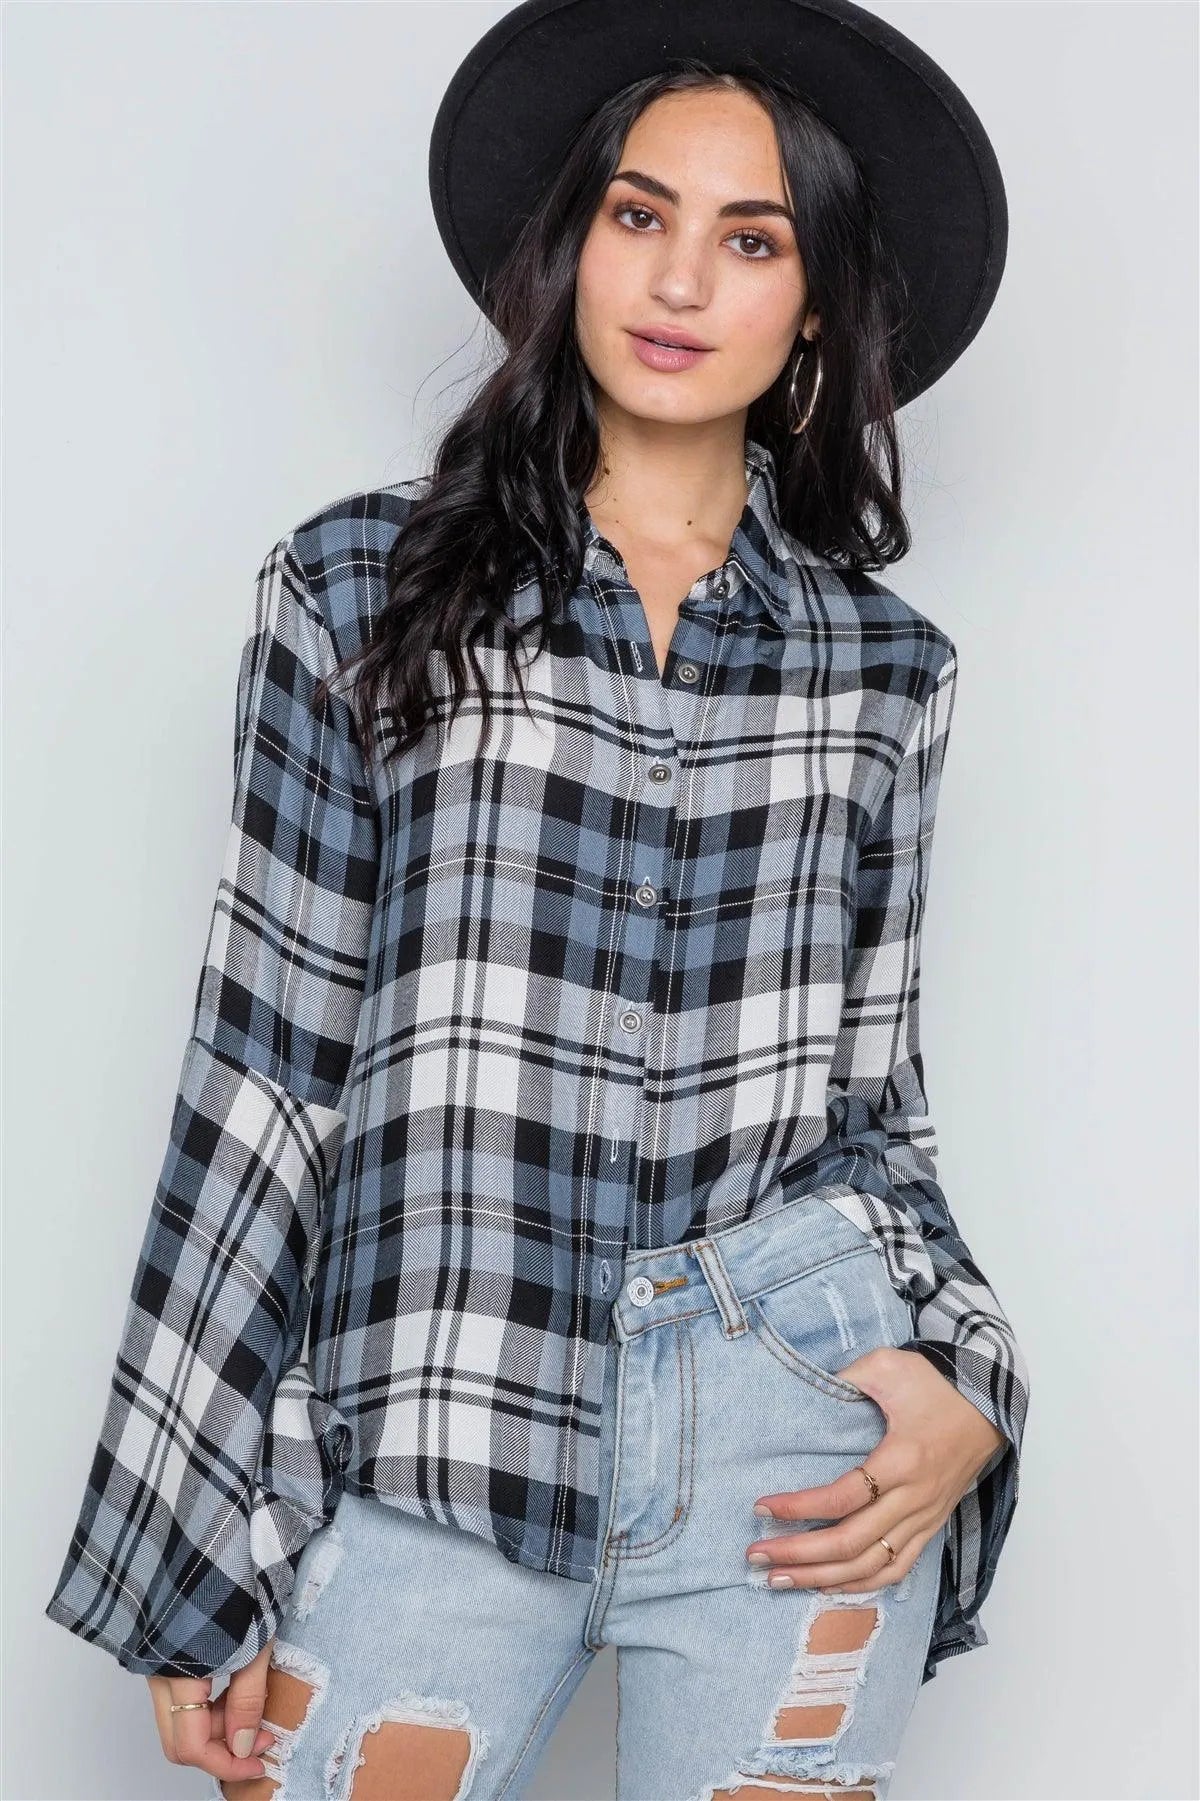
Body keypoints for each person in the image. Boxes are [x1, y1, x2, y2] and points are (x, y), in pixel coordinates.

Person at [44, 3, 1031, 1796]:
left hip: (790, 1452)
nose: (681, 280)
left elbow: (874, 1115)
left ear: (819, 303)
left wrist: (967, 1377)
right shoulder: (360, 589)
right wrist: (185, 1547)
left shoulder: (885, 670)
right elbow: (266, 1075)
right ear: (573, 240)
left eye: (754, 240)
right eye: (640, 215)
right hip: (435, 1423)